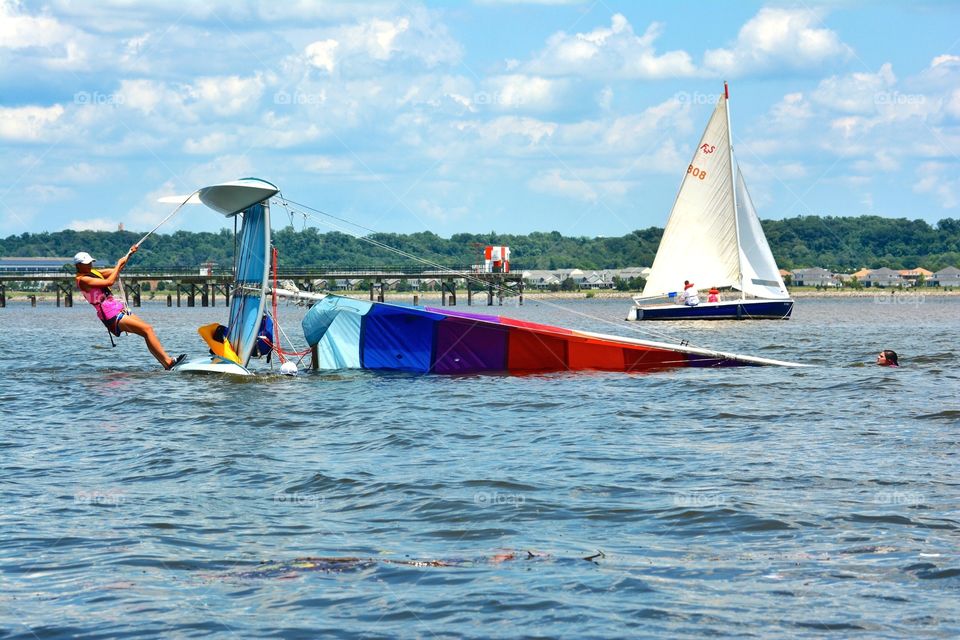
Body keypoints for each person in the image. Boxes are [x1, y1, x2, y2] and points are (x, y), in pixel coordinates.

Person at [74, 248, 185, 370]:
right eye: (87, 263)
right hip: (110, 314)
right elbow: (110, 281)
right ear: (79, 266)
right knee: (147, 329)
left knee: (148, 330)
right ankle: (168, 362)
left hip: (117, 308)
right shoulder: (83, 280)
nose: (90, 265)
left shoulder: (93, 272)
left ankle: (166, 363)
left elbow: (117, 270)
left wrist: (129, 254)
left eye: (90, 262)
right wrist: (118, 263)